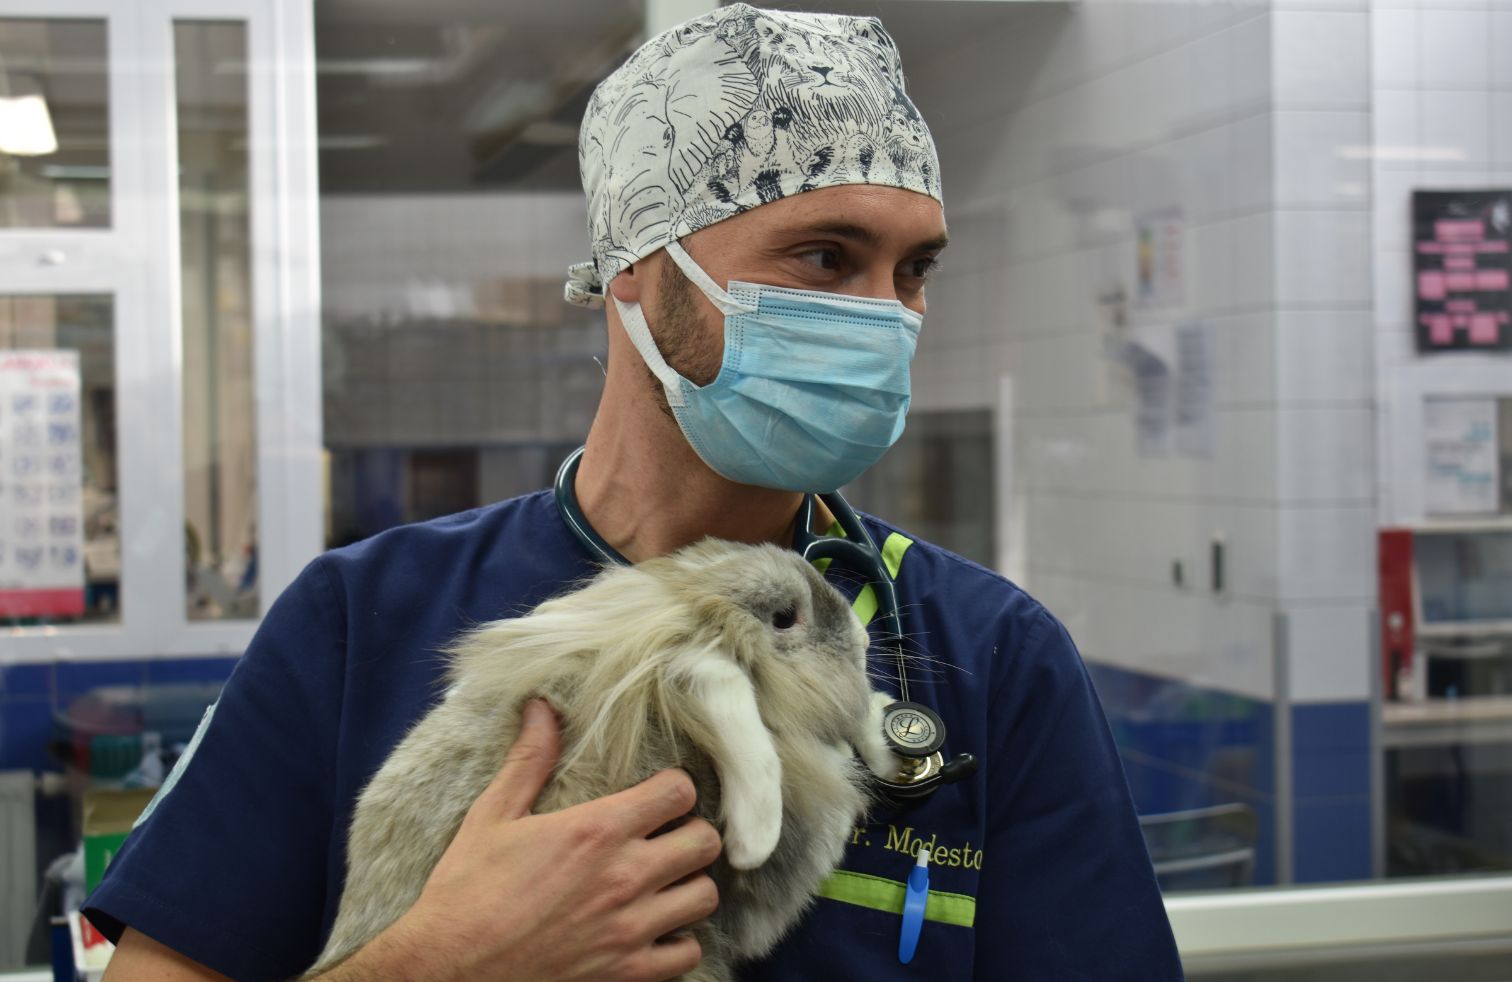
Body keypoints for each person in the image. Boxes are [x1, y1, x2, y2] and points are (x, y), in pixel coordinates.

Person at [86, 5, 1183, 980]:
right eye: (824, 257)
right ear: (638, 269)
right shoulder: (362, 621)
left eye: (913, 270)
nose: (883, 317)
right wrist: (443, 963)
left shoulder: (991, 659)